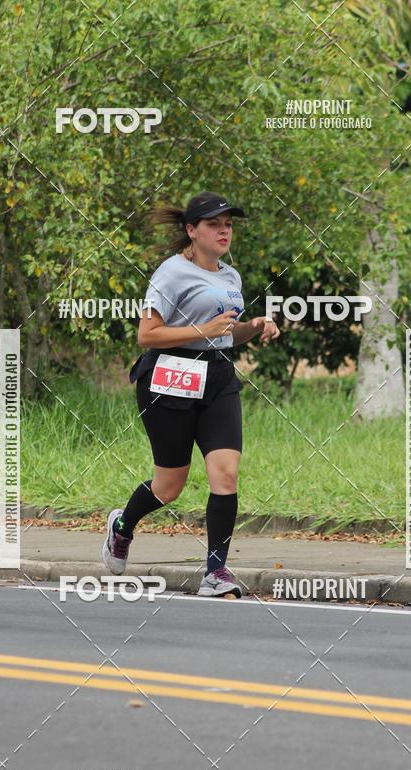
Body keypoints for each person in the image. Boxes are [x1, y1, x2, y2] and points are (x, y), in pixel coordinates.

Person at [102, 190, 280, 597]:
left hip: (217, 377)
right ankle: (123, 525)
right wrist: (202, 331)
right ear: (191, 230)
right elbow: (148, 335)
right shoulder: (170, 274)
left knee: (226, 473)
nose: (224, 231)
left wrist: (254, 326)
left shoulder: (230, 276)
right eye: (214, 224)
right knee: (169, 486)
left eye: (228, 225)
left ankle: (215, 573)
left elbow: (225, 332)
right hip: (169, 375)